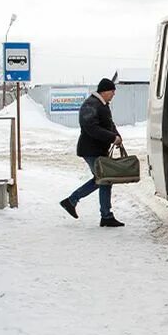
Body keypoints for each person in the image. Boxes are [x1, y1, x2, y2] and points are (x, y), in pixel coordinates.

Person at [60, 78, 124, 227]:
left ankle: (75, 203)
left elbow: (109, 124)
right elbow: (91, 128)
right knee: (104, 179)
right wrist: (111, 137)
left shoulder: (101, 104)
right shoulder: (91, 104)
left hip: (98, 150)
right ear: (105, 91)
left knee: (103, 179)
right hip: (90, 150)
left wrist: (117, 136)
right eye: (112, 91)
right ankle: (103, 214)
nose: (114, 94)